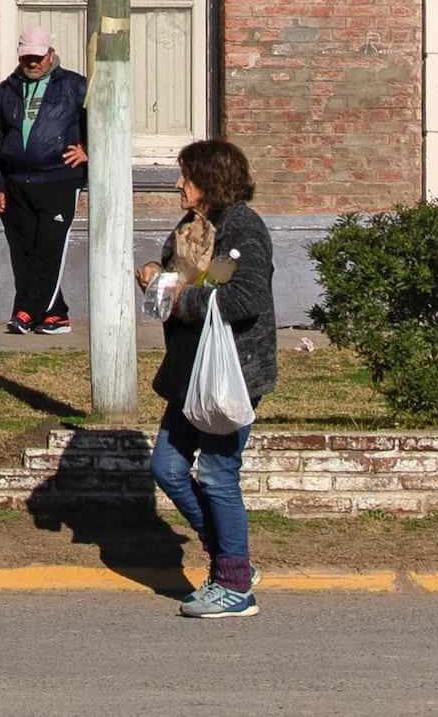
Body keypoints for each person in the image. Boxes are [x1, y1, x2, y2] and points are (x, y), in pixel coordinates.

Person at [145, 136, 278, 622]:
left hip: (229, 375)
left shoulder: (242, 227)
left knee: (219, 475)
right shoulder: (196, 226)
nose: (179, 185)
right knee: (168, 468)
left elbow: (242, 299)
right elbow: (193, 279)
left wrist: (181, 298)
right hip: (189, 372)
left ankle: (235, 585)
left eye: (187, 176)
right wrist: (156, 277)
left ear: (212, 180)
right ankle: (230, 558)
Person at [0, 27, 89, 336]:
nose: (33, 63)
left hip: (59, 180)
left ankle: (26, 312)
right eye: (27, 57)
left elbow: (104, 121)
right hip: (17, 182)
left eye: (38, 58)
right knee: (24, 249)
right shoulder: (7, 90)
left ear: (50, 55)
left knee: (49, 248)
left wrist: (87, 151)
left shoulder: (74, 86)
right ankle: (55, 316)